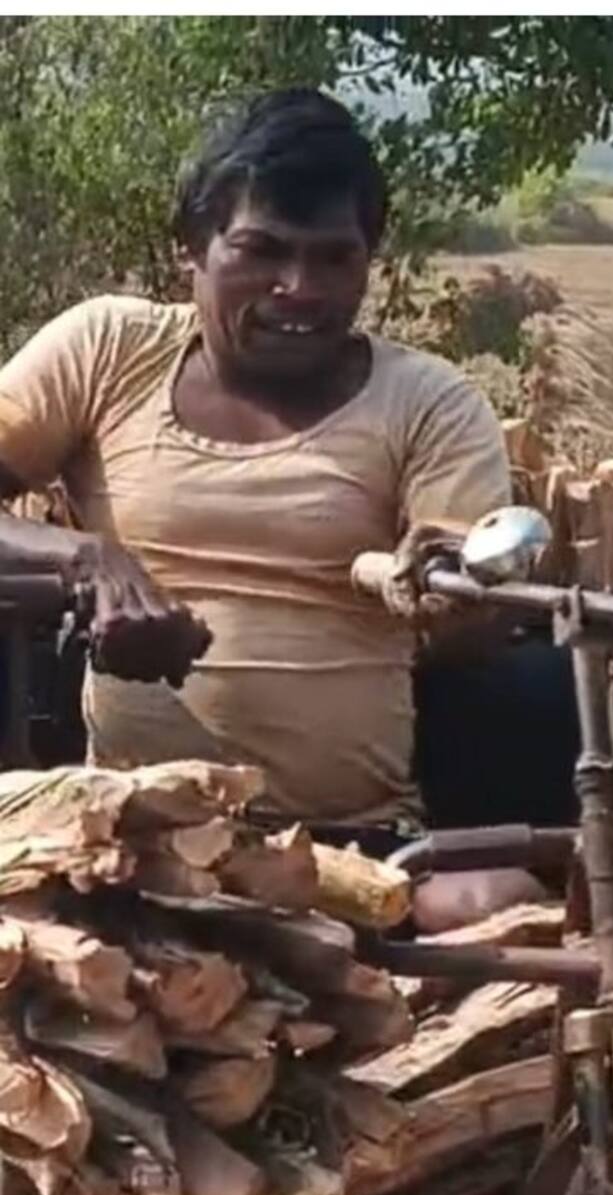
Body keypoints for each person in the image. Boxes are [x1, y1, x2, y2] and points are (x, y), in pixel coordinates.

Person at [0, 88, 537, 928]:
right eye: (262, 251)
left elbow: (470, 611)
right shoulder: (107, 350)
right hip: (126, 840)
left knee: (508, 905)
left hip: (358, 851)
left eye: (334, 258)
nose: (300, 288)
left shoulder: (429, 402)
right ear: (192, 248)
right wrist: (86, 560)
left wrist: (448, 590)